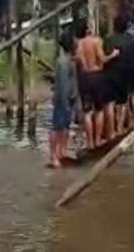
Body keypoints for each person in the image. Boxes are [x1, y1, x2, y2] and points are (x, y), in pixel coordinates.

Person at [75, 20, 119, 148]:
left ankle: (89, 142)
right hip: (97, 76)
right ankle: (97, 139)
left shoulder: (79, 44)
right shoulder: (97, 41)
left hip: (85, 78)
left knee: (87, 112)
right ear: (89, 29)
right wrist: (113, 55)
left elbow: (78, 61)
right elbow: (103, 59)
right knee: (99, 110)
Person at [49, 32, 79, 168]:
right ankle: (53, 156)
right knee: (57, 128)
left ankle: (62, 151)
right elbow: (62, 85)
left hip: (69, 99)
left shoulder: (70, 60)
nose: (77, 43)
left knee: (65, 128)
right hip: (62, 100)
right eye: (75, 41)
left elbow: (73, 82)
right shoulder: (63, 62)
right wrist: (65, 102)